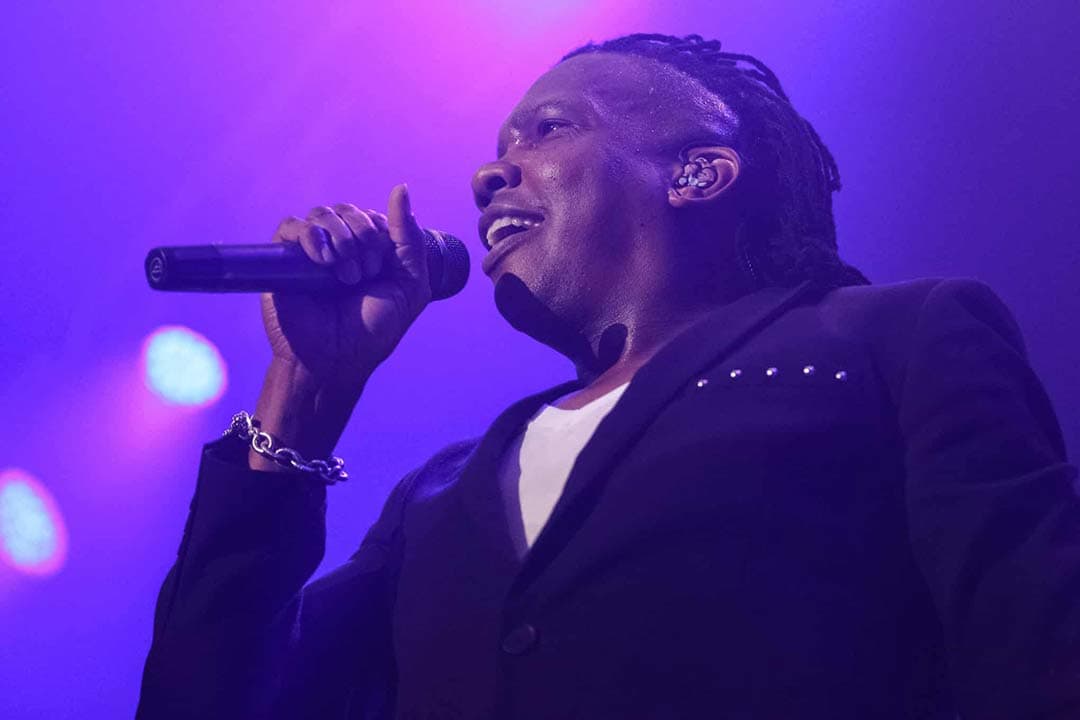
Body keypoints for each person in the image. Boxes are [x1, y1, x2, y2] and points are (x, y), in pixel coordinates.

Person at [136, 33, 1078, 719]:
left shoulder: (891, 340)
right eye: (500, 146)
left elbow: (1038, 652)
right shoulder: (444, 489)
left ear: (700, 174)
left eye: (544, 131)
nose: (486, 175)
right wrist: (305, 393)